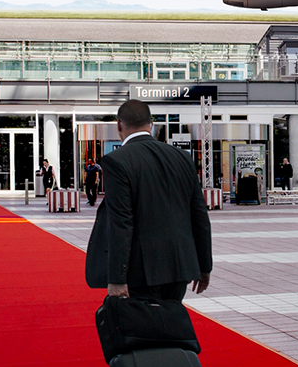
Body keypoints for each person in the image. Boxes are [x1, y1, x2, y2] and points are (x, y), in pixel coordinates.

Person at [86, 99, 212, 302]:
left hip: (141, 272)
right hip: (179, 267)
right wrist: (204, 266)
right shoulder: (181, 157)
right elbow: (199, 215)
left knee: (142, 331)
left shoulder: (116, 161)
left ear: (119, 124)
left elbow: (121, 222)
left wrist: (117, 277)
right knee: (170, 327)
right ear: (151, 125)